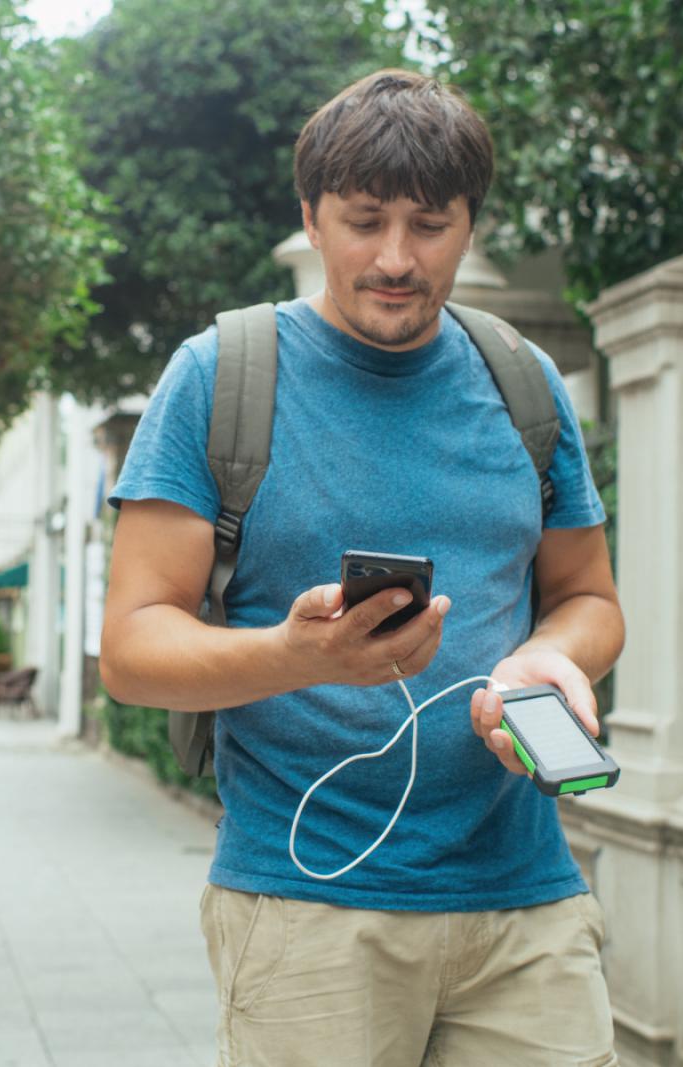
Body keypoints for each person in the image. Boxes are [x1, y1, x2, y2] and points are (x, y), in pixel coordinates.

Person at [101, 69, 623, 1065]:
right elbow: (130, 648)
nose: (394, 258)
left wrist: (548, 657)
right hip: (307, 907)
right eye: (363, 221)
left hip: (526, 905)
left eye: (429, 225)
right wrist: (301, 656)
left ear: (469, 226)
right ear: (311, 218)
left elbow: (588, 596)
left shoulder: (526, 384)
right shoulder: (219, 376)